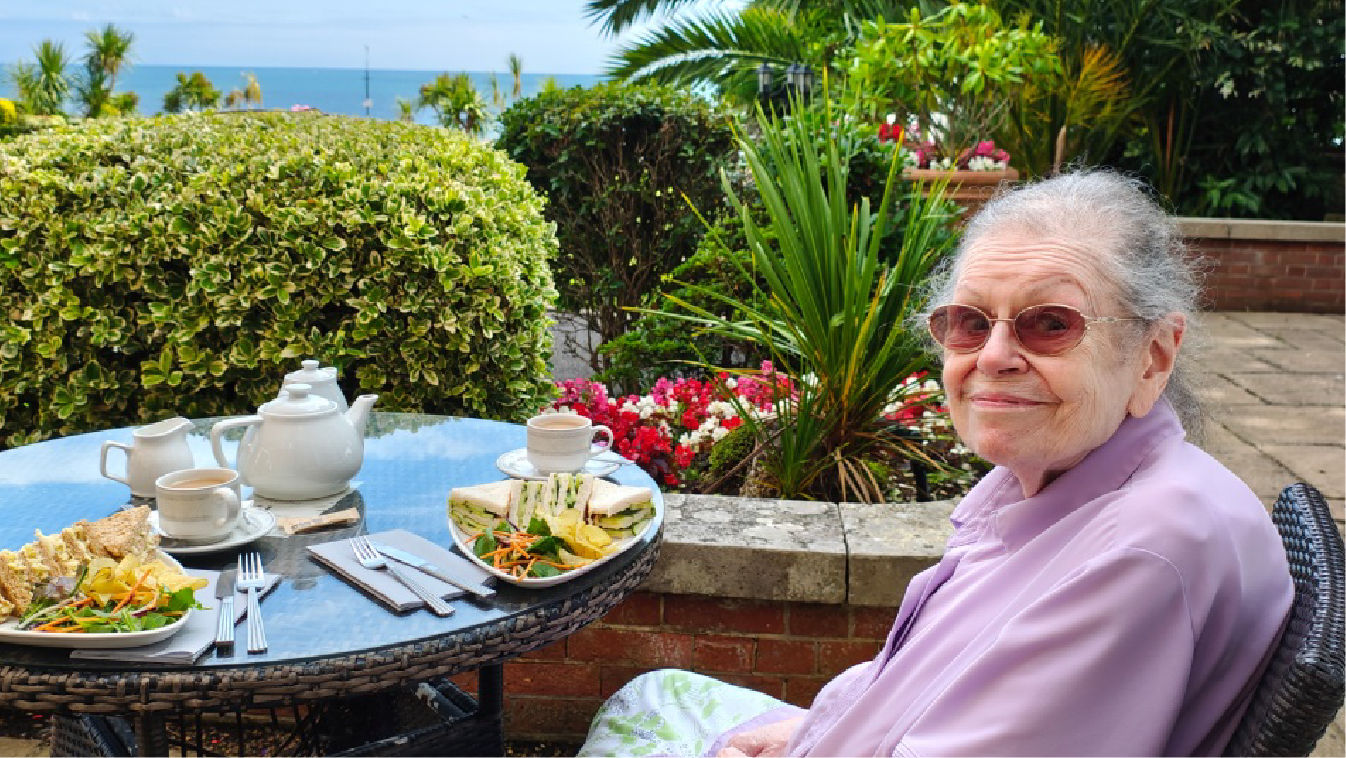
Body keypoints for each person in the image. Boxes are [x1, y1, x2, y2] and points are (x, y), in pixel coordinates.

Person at [576, 170, 1294, 757]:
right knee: (647, 693)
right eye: (969, 321)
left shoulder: (1138, 556)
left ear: (1154, 355)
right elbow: (937, 685)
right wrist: (814, 731)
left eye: (1051, 323)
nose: (992, 357)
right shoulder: (1075, 487)